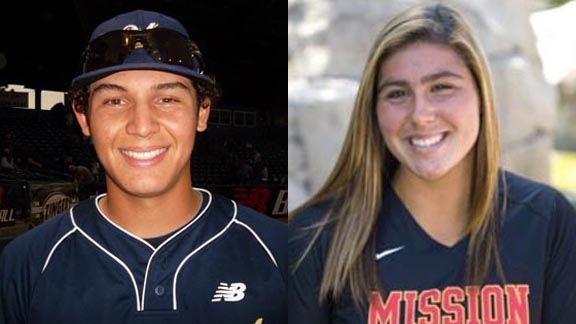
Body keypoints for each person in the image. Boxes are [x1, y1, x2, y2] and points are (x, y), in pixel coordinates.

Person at [288, 3, 576, 324]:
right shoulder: (316, 238)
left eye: (441, 88)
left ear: (481, 97)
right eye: (397, 94)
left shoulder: (547, 221)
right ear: (374, 111)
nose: (421, 115)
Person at [0, 10, 286, 324]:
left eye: (167, 99)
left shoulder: (283, 252)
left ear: (202, 113)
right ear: (83, 118)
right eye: (115, 101)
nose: (142, 125)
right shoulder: (24, 265)